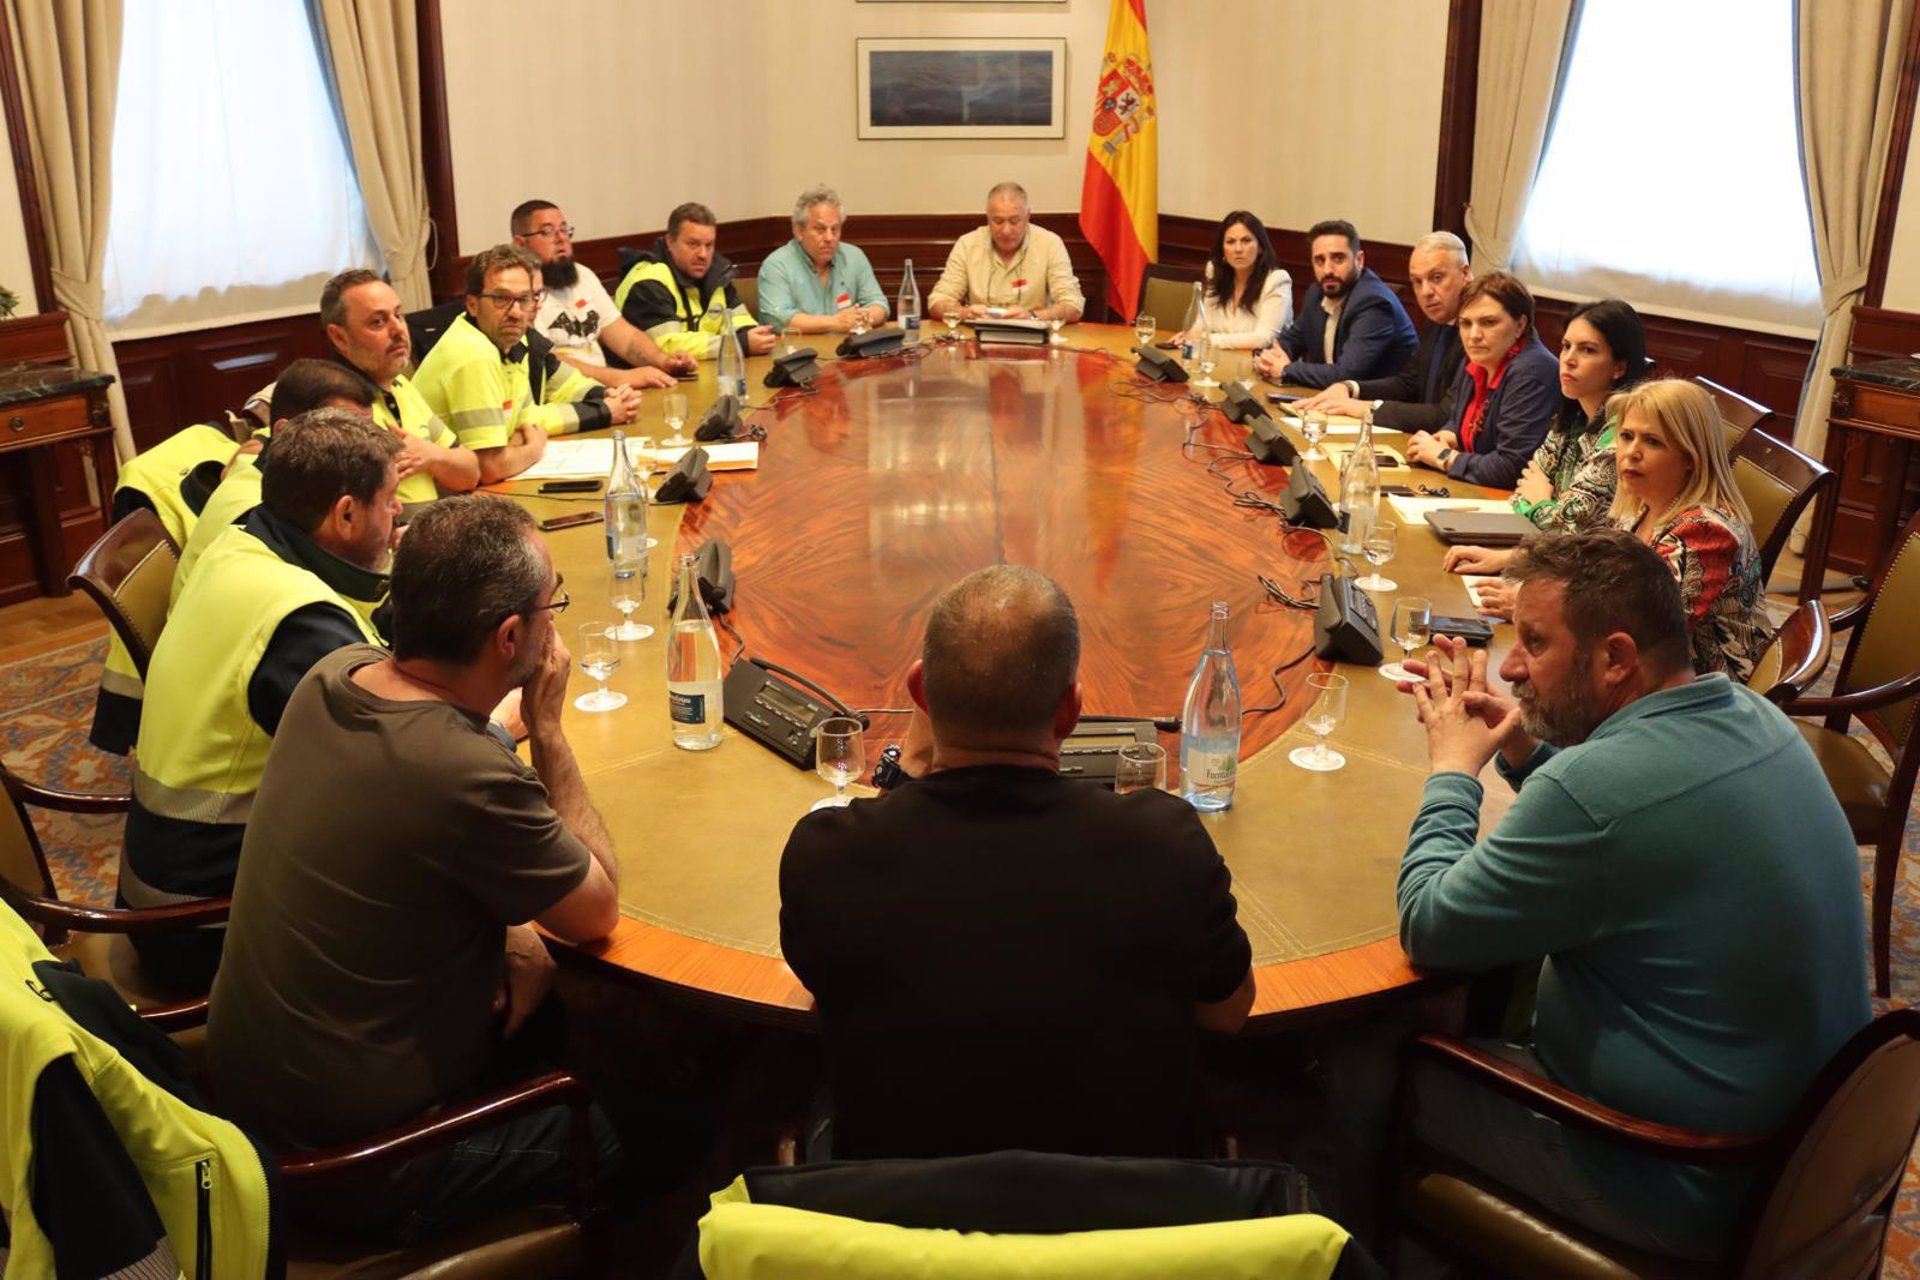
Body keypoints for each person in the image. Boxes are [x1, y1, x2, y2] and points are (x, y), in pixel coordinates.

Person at [1395, 530, 1869, 1259]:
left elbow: (1429, 925)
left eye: (1535, 643)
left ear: (1616, 657)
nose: (1513, 668)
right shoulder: (1755, 715)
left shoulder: (1593, 793)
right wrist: (1522, 746)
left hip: (1677, 1178)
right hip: (1806, 1167)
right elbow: (1627, 832)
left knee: (1374, 1067)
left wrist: (1452, 772)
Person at [207, 495, 633, 1240]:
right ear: (510, 636)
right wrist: (549, 729)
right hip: (356, 1169)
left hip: (246, 1116)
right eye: (551, 605)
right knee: (653, 1113)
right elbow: (597, 911)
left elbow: (412, 831)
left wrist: (509, 929)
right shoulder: (462, 770)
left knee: (560, 1013)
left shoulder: (335, 675)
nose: (554, 621)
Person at [780, 565, 1253, 1160]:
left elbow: (831, 995)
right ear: (1071, 711)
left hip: (899, 1229)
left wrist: (911, 770)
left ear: (919, 693)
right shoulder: (1167, 845)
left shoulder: (828, 856)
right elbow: (1229, 1015)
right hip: (1129, 1232)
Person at [124, 410, 401, 991]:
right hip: (203, 925)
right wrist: (502, 719)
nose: (400, 513)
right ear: (346, 513)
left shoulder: (244, 541)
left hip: (158, 884)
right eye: (391, 499)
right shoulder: (299, 622)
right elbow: (403, 770)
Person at [1442, 299, 1649, 617]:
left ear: (1619, 366)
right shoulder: (1573, 417)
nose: (1568, 360)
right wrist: (1508, 555)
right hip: (1559, 567)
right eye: (1566, 346)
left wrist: (1541, 502)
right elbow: (1522, 498)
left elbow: (1571, 536)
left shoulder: (1620, 438)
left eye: (1587, 350)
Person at [414, 244, 639, 483]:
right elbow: (490, 467)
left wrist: (607, 396)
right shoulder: (473, 353)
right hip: (439, 500)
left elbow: (527, 420)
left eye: (524, 299)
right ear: (472, 304)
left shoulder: (512, 340)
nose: (516, 312)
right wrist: (533, 448)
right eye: (501, 299)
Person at [172, 359, 378, 605]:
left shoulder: (267, 473)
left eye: (369, 432)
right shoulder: (260, 513)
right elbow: (336, 603)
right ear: (284, 431)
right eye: (347, 432)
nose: (369, 450)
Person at [1607, 378, 1769, 679]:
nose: (1631, 452)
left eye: (1652, 441)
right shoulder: (1645, 507)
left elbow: (1644, 627)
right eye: (1627, 436)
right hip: (1652, 672)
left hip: (1707, 697)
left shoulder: (1707, 532)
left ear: (1691, 457)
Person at [320, 268, 481, 506]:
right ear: (340, 338)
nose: (398, 330)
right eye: (378, 322)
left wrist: (431, 455)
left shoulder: (401, 385)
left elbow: (471, 472)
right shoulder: (336, 408)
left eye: (399, 315)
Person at [1294, 230, 1471, 431]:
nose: (1426, 292)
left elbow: (1445, 415)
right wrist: (1349, 388)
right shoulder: (1438, 320)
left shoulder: (1477, 333)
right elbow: (1409, 383)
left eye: (1437, 277)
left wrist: (1366, 409)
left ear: (1465, 274)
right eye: (1417, 281)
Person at [510, 199, 695, 388]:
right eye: (547, 232)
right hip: (564, 397)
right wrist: (621, 378)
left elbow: (624, 336)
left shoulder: (582, 275)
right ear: (520, 244)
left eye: (564, 229)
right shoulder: (517, 294)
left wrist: (663, 361)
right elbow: (548, 362)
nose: (561, 238)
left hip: (606, 391)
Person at [1404, 271, 1556, 488]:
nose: (1473, 335)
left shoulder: (1533, 371)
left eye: (1488, 322)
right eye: (1466, 324)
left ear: (1520, 326)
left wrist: (1445, 457)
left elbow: (1513, 468)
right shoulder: (1479, 358)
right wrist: (1448, 435)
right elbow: (1458, 418)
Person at [1252, 219, 1416, 389]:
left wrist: (1287, 369)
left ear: (1359, 260)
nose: (1328, 270)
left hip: (1376, 408)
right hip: (1331, 402)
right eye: (1320, 260)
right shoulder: (1316, 294)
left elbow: (1346, 375)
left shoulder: (1374, 303)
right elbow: (1290, 341)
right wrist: (1265, 358)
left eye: (1338, 259)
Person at [613, 202, 777, 360]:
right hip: (641, 380)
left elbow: (738, 318)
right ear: (670, 242)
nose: (703, 255)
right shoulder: (648, 281)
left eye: (709, 245)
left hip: (700, 372)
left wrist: (751, 334)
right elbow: (667, 346)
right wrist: (739, 344)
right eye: (693, 244)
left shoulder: (718, 274)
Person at [926, 182, 1086, 323]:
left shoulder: (1049, 243)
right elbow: (937, 302)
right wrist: (966, 313)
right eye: (998, 221)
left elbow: (1073, 305)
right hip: (978, 341)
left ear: (1028, 216)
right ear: (987, 218)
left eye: (1015, 221)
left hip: (1034, 340)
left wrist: (1032, 317)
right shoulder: (968, 244)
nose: (1006, 230)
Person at [756, 185, 889, 334]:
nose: (829, 238)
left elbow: (879, 305)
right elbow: (778, 320)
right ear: (799, 231)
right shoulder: (776, 265)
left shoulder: (854, 257)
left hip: (848, 352)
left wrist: (862, 317)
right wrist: (834, 323)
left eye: (835, 229)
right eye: (820, 229)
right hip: (798, 353)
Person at [1185, 210, 1290, 349]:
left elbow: (1264, 339)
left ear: (1260, 247)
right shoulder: (1215, 272)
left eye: (1246, 241)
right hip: (1224, 360)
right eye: (1230, 242)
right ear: (1223, 249)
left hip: (1264, 365)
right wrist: (1188, 337)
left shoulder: (1277, 280)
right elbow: (1202, 324)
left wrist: (1206, 339)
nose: (1238, 249)